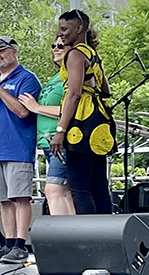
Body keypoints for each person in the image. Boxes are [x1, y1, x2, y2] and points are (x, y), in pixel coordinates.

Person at [0, 36, 41, 264]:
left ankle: (20, 244)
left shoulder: (27, 78)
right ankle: (8, 244)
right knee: (2, 200)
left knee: (20, 197)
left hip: (17, 147)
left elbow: (23, 111)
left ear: (14, 52)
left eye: (1, 51)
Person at [50, 10, 116, 214]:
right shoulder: (92, 53)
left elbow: (74, 94)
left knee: (80, 187)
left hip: (81, 123)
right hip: (99, 121)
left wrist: (60, 130)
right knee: (98, 185)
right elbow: (106, 90)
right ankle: (108, 236)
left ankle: (90, 241)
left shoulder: (75, 54)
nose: (60, 34)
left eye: (64, 29)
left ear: (79, 28)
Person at [18, 36, 75, 215]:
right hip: (47, 142)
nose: (55, 49)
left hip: (62, 140)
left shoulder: (72, 76)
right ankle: (74, 237)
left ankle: (61, 238)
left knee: (53, 189)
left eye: (61, 46)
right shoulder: (55, 78)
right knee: (65, 192)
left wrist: (36, 107)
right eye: (54, 46)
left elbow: (71, 107)